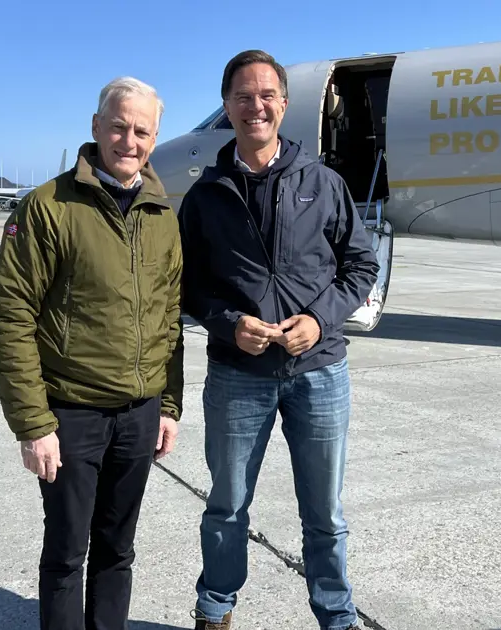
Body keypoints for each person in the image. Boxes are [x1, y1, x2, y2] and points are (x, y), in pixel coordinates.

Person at [177, 50, 380, 630]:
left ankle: (337, 617)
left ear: (284, 106)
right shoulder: (205, 195)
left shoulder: (324, 183)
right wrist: (226, 323)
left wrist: (319, 320)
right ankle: (215, 609)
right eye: (243, 96)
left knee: (324, 514)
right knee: (226, 508)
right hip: (238, 378)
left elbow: (361, 268)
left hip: (319, 372)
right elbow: (188, 287)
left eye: (266, 95)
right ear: (228, 106)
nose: (255, 106)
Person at [0, 75, 184, 630]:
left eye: (142, 131)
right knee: (68, 554)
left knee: (119, 552)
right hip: (71, 414)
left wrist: (168, 405)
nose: (129, 140)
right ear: (96, 128)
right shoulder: (48, 206)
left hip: (140, 414)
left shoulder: (161, 213)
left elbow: (169, 317)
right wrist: (33, 423)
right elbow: (9, 316)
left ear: (154, 137)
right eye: (118, 126)